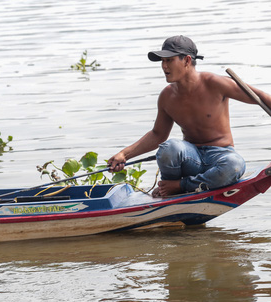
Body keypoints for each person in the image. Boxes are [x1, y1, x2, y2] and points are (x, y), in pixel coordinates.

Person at [108, 35, 271, 197]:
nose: (164, 66)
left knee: (235, 165)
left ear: (186, 60)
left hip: (220, 155)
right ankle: (169, 190)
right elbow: (158, 135)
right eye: (162, 61)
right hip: (191, 158)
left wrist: (181, 184)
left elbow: (261, 97)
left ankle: (179, 187)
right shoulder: (167, 96)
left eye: (169, 60)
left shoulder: (215, 83)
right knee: (169, 148)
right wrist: (124, 154)